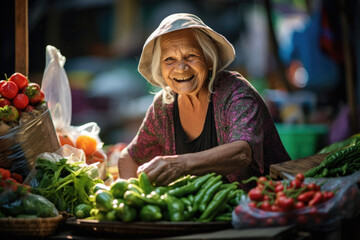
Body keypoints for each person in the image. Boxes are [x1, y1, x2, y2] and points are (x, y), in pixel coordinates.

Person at [117, 13, 290, 191]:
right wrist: (136, 198)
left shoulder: (236, 94)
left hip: (267, 204)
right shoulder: (164, 106)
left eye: (191, 56)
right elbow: (129, 157)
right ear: (160, 68)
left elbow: (242, 152)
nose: (181, 67)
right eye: (169, 59)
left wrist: (180, 164)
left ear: (208, 59)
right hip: (205, 214)